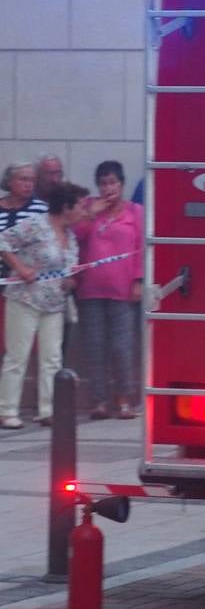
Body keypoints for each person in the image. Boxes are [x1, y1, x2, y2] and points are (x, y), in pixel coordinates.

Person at [0, 182, 94, 428]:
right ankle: (7, 409)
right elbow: (4, 241)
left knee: (52, 358)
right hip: (25, 298)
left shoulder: (71, 236)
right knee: (17, 356)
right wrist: (20, 268)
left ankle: (48, 409)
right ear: (66, 207)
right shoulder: (36, 225)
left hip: (54, 302)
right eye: (81, 206)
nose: (84, 211)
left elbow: (64, 268)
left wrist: (68, 280)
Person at [73, 161, 144, 420]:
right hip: (90, 290)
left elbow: (141, 248)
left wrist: (139, 280)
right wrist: (91, 214)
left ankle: (125, 399)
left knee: (122, 347)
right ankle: (99, 401)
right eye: (103, 183)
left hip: (123, 290)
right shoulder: (89, 208)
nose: (108, 188)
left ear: (122, 184)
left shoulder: (136, 212)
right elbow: (75, 237)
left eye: (113, 182)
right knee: (95, 347)